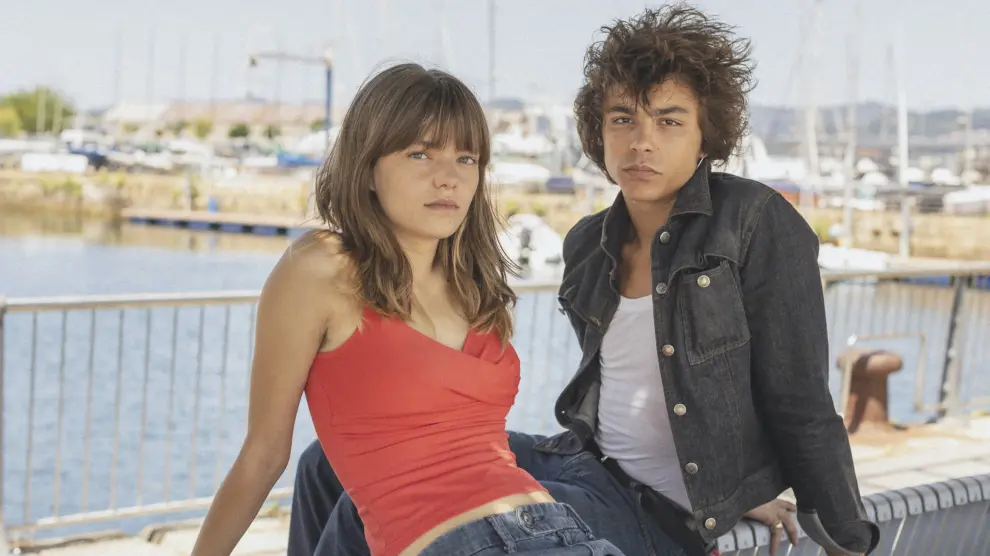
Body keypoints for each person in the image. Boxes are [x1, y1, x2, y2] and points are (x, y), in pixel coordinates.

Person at [286, 5, 881, 556]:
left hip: (657, 516)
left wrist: (835, 530)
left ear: (707, 134)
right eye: (623, 119)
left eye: (669, 121)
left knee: (410, 499)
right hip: (581, 463)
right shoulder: (587, 244)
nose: (641, 141)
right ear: (599, 131)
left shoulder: (753, 223)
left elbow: (801, 399)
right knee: (323, 465)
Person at [189, 62, 627, 556]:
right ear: (367, 168)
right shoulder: (321, 269)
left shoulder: (472, 285)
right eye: (420, 154)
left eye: (466, 158)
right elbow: (263, 454)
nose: (448, 178)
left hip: (563, 530)